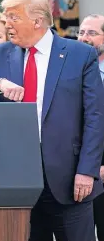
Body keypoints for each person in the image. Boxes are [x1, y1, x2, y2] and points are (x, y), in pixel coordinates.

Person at [0, 0, 104, 241]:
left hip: (69, 181)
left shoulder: (79, 55)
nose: (6, 23)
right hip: (18, 179)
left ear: (36, 21)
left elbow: (95, 117)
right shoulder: (1, 53)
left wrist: (87, 171)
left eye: (12, 17)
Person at [78, 14, 104, 241]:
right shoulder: (72, 71)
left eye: (92, 33)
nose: (84, 38)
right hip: (81, 171)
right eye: (81, 32)